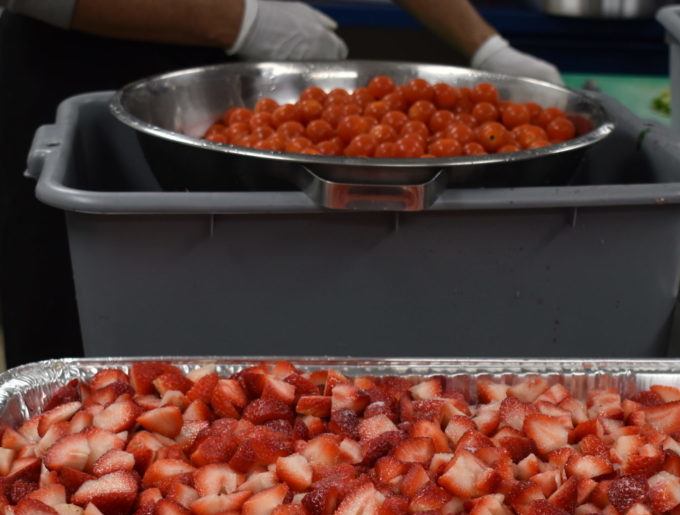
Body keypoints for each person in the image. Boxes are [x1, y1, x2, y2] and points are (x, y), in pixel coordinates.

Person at [0, 0, 562, 368]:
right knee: (80, 358)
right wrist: (240, 20)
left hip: (235, 95)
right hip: (84, 69)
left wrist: (485, 46)